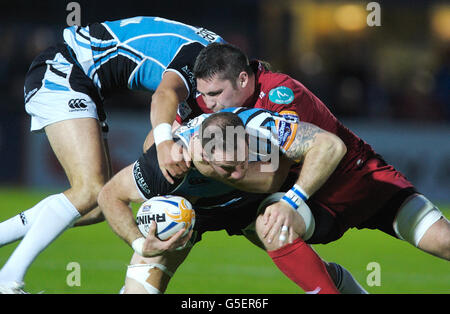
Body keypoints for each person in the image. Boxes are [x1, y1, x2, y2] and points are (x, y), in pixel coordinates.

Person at [188, 43, 450, 289]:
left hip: (361, 178)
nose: (209, 104)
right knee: (271, 226)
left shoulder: (282, 94)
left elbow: (278, 171)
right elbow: (174, 126)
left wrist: (220, 171)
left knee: (444, 241)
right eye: (203, 94)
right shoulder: (208, 105)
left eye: (215, 94)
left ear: (243, 79)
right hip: (318, 199)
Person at [0, 16, 225, 293]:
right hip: (64, 68)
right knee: (89, 192)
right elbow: (162, 101)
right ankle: (8, 281)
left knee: (96, 207)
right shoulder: (201, 61)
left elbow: (150, 146)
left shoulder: (212, 69)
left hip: (85, 82)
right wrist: (167, 150)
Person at [99, 107, 368, 294]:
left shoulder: (262, 128)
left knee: (279, 229)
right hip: (189, 215)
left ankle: (339, 286)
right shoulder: (167, 165)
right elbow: (109, 195)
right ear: (202, 155)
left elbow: (331, 145)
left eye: (243, 160)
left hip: (249, 206)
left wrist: (291, 200)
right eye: (228, 167)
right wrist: (139, 243)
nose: (239, 173)